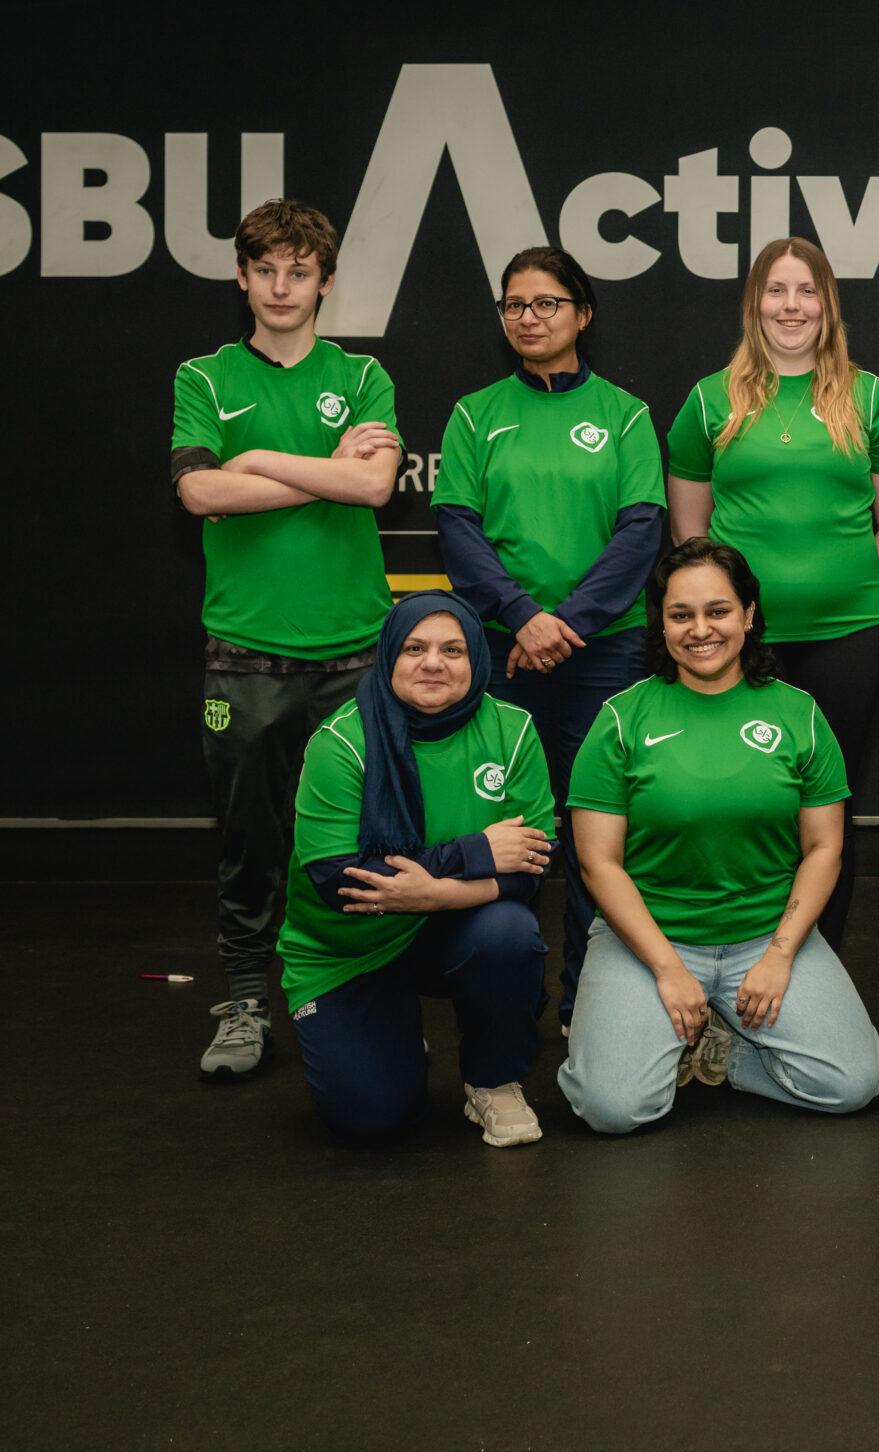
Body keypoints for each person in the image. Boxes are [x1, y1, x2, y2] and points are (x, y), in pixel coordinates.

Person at [172, 198, 403, 1079]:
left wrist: (261, 461)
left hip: (355, 653)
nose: (280, 286)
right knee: (248, 842)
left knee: (364, 838)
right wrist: (328, 472)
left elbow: (377, 489)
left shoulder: (366, 376)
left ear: (326, 282)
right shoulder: (206, 377)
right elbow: (199, 495)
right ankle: (243, 1001)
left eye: (298, 271)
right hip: (246, 652)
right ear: (241, 277)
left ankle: (365, 995)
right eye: (264, 269)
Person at [557, 540, 879, 1134]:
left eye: (718, 611)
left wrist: (781, 954)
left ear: (749, 616)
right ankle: (651, 1041)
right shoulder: (622, 721)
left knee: (851, 1086)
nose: (700, 629)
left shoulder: (799, 714)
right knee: (613, 1109)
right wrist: (666, 969)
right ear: (660, 622)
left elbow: (824, 847)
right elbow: (598, 865)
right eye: (681, 615)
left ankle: (729, 1050)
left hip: (764, 938)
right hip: (651, 939)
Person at [434, 245, 665, 1033]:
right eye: (514, 305)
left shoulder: (624, 414)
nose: (528, 318)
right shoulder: (475, 414)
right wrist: (524, 615)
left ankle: (584, 1005)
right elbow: (458, 530)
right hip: (504, 650)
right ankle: (509, 993)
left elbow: (641, 533)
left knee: (598, 827)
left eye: (546, 304)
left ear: (583, 314)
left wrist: (566, 624)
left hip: (604, 652)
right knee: (516, 827)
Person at [666, 236, 879, 952]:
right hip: (740, 643)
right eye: (776, 291)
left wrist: (847, 579)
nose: (792, 305)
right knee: (737, 805)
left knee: (824, 812)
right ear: (754, 305)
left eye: (806, 291)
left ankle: (812, 970)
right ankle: (725, 970)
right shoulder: (710, 401)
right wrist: (722, 614)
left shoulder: (868, 398)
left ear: (827, 304)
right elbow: (692, 535)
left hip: (849, 635)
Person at [277, 592, 554, 1145]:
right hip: (349, 948)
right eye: (414, 648)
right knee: (371, 1123)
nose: (433, 662)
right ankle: (392, 1035)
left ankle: (492, 1082)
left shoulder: (512, 730)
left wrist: (431, 895)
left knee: (509, 933)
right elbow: (341, 881)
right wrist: (472, 853)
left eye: (453, 649)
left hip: (449, 931)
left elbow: (530, 869)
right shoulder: (340, 743)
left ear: (477, 657)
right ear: (387, 656)